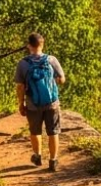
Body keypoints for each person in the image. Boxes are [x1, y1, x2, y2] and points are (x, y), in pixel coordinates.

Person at [14, 33, 65, 171]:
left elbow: (20, 86)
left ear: (29, 46)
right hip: (52, 103)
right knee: (53, 132)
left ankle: (37, 156)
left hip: (32, 104)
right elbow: (62, 79)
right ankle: (53, 161)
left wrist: (21, 103)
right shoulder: (51, 60)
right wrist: (50, 83)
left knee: (35, 131)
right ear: (42, 44)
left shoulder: (23, 63)